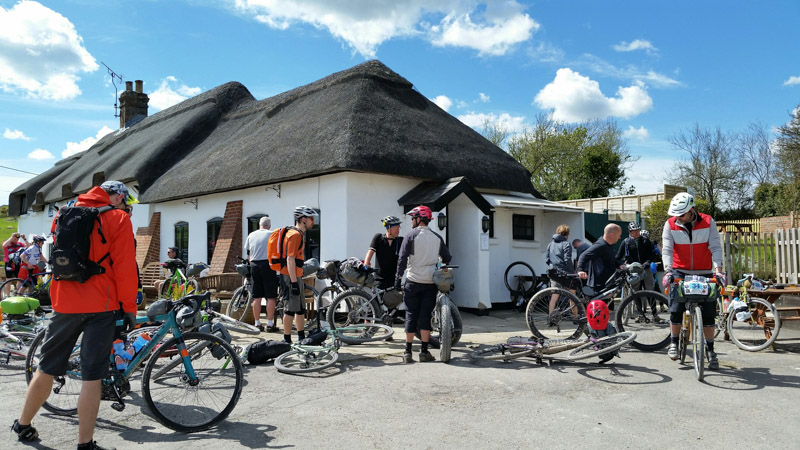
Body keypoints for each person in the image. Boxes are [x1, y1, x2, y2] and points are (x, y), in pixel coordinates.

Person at [13, 180, 138, 449]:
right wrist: (129, 307)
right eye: (125, 199)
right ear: (116, 197)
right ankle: (85, 444)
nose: (126, 205)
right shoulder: (118, 218)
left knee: (46, 367)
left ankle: (23, 424)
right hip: (101, 305)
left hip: (64, 302)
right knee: (92, 376)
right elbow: (125, 267)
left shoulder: (63, 213)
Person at [661, 192, 724, 370]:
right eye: (675, 215)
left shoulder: (708, 221)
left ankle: (710, 350)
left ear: (692, 210)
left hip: (704, 272)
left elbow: (715, 247)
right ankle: (673, 342)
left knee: (709, 312)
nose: (678, 218)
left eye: (681, 215)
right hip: (679, 270)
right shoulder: (670, 224)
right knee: (675, 306)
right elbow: (667, 250)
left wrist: (718, 271)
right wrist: (668, 271)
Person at [394, 205, 452, 363]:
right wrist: (438, 263)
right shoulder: (437, 238)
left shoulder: (410, 236)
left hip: (412, 281)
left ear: (419, 219)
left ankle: (407, 352)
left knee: (411, 315)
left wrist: (398, 278)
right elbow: (447, 258)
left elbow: (402, 259)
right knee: (425, 316)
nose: (412, 220)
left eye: (413, 218)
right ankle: (424, 352)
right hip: (429, 283)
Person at [279, 206, 318, 344]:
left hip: (296, 275)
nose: (313, 221)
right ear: (303, 219)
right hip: (290, 276)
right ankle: (287, 340)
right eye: (311, 218)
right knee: (290, 309)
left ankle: (301, 336)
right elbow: (290, 259)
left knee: (300, 308)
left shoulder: (299, 234)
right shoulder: (295, 235)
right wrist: (294, 282)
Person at [617, 222, 661, 322]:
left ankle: (655, 314)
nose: (636, 233)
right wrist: (621, 266)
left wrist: (647, 263)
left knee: (650, 291)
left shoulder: (646, 241)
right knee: (636, 293)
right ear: (629, 232)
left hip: (645, 269)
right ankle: (640, 315)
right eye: (634, 231)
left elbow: (652, 254)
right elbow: (618, 256)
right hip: (633, 271)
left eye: (637, 231)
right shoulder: (626, 242)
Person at [576, 224, 626, 306]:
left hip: (607, 283)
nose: (620, 237)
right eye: (619, 235)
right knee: (598, 312)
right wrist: (580, 270)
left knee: (606, 311)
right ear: (612, 234)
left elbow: (612, 259)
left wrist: (620, 265)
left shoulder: (607, 245)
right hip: (599, 285)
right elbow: (583, 256)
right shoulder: (600, 245)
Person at [245, 216, 279, 332]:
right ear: (269, 226)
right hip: (268, 265)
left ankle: (257, 323)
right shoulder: (272, 234)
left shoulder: (251, 235)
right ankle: (270, 324)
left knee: (257, 296)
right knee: (271, 296)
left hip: (254, 265)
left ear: (260, 225)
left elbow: (249, 255)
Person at [546, 225, 579, 317]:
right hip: (565, 273)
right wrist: (573, 272)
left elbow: (547, 259)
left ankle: (551, 317)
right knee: (572, 296)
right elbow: (567, 260)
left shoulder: (550, 244)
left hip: (553, 273)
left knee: (554, 296)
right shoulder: (566, 244)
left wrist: (552, 266)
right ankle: (576, 317)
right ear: (567, 234)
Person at [364, 215, 403, 290]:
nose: (398, 230)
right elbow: (370, 252)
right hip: (379, 280)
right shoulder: (378, 238)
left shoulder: (400, 241)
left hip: (393, 280)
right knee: (377, 301)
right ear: (388, 227)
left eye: (399, 227)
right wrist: (366, 264)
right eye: (395, 227)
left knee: (393, 301)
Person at [3, 232, 28, 296]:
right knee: (8, 279)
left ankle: (18, 294)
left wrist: (24, 239)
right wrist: (11, 238)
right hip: (9, 263)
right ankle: (7, 295)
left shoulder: (20, 244)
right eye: (14, 239)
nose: (16, 241)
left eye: (17, 239)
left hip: (17, 263)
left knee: (19, 279)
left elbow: (29, 246)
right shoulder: (8, 243)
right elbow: (4, 245)